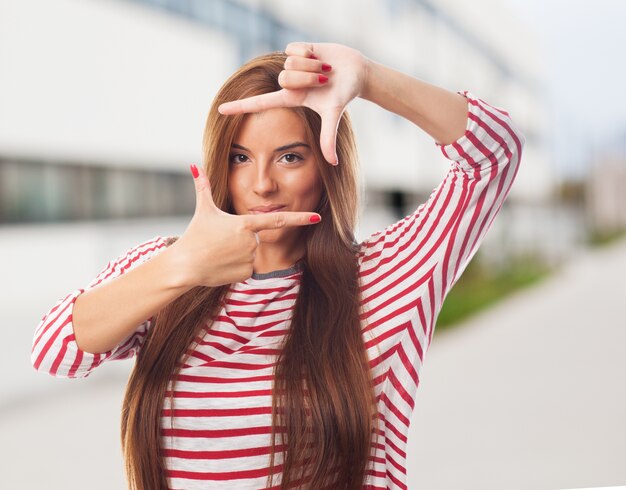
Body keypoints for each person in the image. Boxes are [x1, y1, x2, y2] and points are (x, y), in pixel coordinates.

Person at [31, 42, 525, 490]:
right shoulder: (168, 269)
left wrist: (370, 80)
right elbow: (56, 351)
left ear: (328, 164)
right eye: (240, 157)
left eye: (289, 157)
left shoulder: (383, 278)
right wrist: (182, 265)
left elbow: (495, 155)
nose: (261, 185)